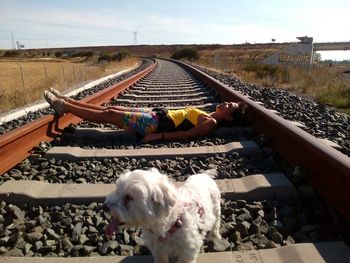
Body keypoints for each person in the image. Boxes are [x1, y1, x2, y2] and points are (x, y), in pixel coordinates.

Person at [44, 88, 248, 143]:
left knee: (109, 113)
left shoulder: (210, 122)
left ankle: (64, 107)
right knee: (112, 109)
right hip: (154, 114)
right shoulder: (208, 113)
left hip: (154, 125)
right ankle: (67, 101)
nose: (226, 103)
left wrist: (155, 137)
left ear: (229, 118)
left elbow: (186, 135)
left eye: (230, 106)